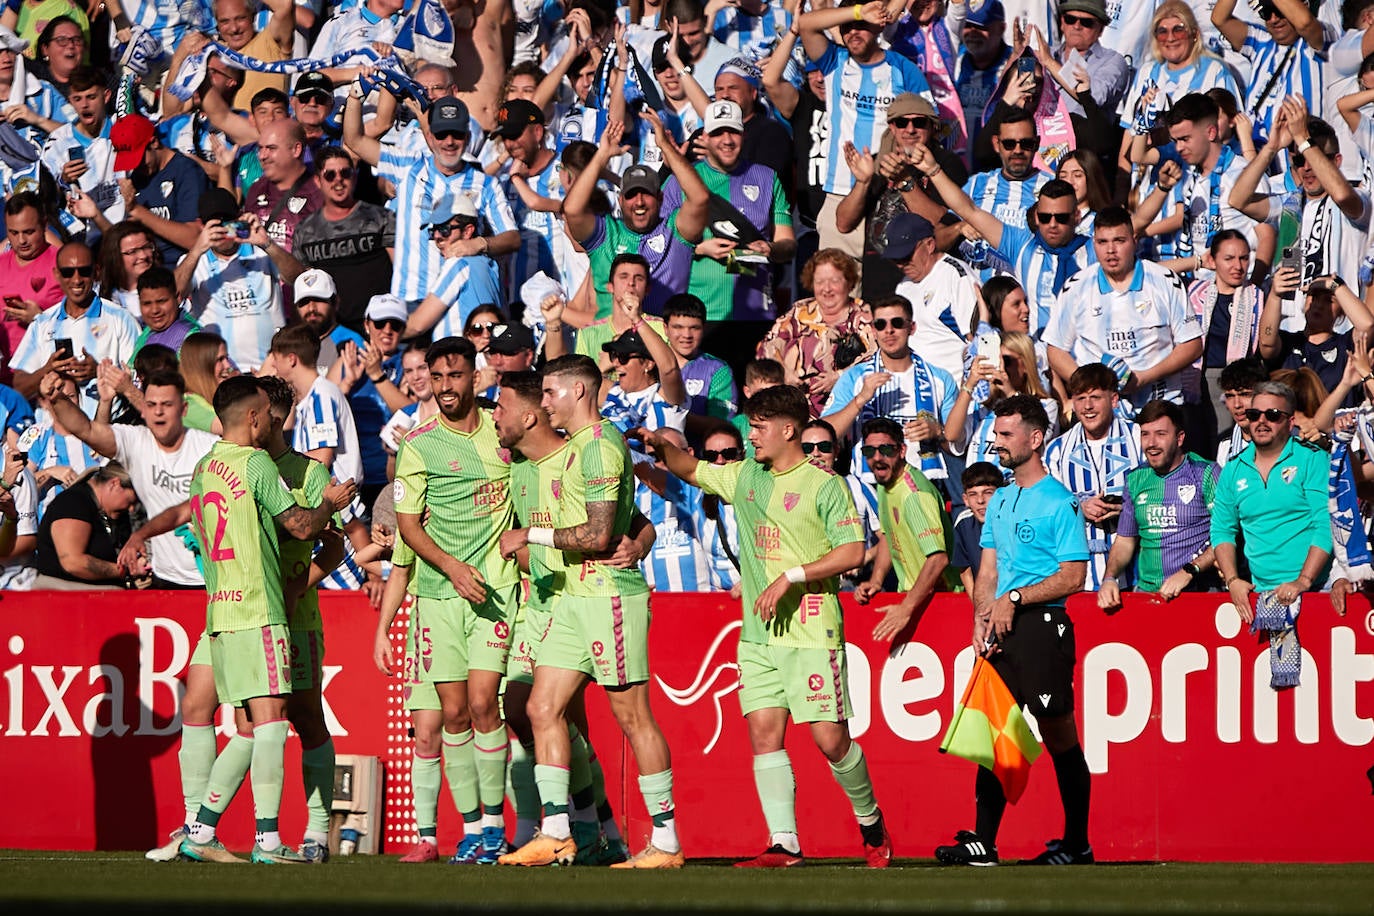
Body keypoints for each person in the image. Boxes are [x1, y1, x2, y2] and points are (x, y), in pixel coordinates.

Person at [641, 384, 893, 869]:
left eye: (758, 427)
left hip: (812, 631)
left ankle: (870, 820)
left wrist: (791, 575)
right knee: (763, 733)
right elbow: (689, 469)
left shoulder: (825, 484)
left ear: (787, 430)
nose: (750, 434)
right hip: (758, 635)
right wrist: (660, 446)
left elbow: (852, 552)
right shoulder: (746, 477)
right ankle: (784, 843)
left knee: (830, 740)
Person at [496, 354, 682, 869]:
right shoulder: (574, 449)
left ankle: (665, 841)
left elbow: (599, 536)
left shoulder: (601, 445)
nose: (545, 401)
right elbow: (623, 521)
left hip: (607, 596)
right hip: (569, 598)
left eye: (551, 392)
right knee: (540, 709)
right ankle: (557, 832)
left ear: (579, 392)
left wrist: (528, 534)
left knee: (632, 716)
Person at [178, 375, 355, 864]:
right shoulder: (256, 464)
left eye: (281, 415)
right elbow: (300, 523)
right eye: (269, 414)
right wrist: (331, 505)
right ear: (257, 415)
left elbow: (334, 544)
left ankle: (303, 831)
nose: (275, 422)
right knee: (257, 720)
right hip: (258, 607)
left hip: (251, 607)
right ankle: (245, 835)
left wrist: (300, 582)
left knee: (295, 717)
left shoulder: (206, 466)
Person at [934, 394, 1092, 867]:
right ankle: (984, 840)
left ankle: (1076, 843)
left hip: (1043, 627)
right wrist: (981, 616)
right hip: (1000, 630)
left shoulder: (1060, 501)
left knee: (1059, 733)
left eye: (1006, 435)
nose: (996, 442)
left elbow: (1073, 576)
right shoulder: (1000, 498)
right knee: (993, 730)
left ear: (1035, 438)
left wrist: (1016, 598)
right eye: (996, 433)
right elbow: (989, 566)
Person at [393, 336, 519, 865]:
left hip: (495, 591)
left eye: (455, 376)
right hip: (438, 596)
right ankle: (470, 830)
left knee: (485, 703)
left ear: (475, 376)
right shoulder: (418, 445)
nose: (445, 387)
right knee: (451, 714)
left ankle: (496, 825)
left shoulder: (503, 431)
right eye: (436, 377)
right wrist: (450, 566)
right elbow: (407, 526)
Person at [42, 368, 216, 590]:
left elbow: (190, 508)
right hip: (166, 578)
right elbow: (85, 430)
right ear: (143, 411)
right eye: (152, 405)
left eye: (167, 405)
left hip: (212, 577)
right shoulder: (136, 441)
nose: (159, 412)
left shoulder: (208, 447)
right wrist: (57, 399)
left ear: (183, 409)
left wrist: (141, 535)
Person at [799, 0, 931, 257]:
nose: (852, 33)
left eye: (861, 26)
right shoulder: (833, 62)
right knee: (836, 292)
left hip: (890, 197)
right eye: (847, 27)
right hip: (840, 194)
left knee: (885, 293)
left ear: (878, 27)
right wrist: (858, 12)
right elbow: (804, 24)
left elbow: (930, 124)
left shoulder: (903, 69)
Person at [917, 148, 1093, 335]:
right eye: (1045, 217)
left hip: (1081, 356)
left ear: (1076, 217)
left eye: (1061, 218)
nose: (1052, 224)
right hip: (1032, 353)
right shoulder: (1022, 245)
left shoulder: (1095, 250)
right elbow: (969, 210)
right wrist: (934, 170)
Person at [1045, 206, 1204, 410]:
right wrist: (1089, 387)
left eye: (1119, 241)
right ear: (1094, 244)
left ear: (1134, 241)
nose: (1110, 250)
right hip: (1099, 412)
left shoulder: (1164, 281)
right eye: (1102, 242)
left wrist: (1145, 378)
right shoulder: (1076, 287)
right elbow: (1056, 349)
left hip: (1158, 408)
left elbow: (1192, 344)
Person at [562, 115, 708, 318]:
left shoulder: (676, 231)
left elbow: (700, 198)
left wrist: (666, 148)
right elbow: (572, 209)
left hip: (661, 341)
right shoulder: (604, 234)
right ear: (621, 201)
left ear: (660, 198)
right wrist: (602, 155)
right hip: (607, 341)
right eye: (631, 195)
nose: (639, 202)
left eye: (646, 194)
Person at [1212, 379, 1332, 623]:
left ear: (1290, 423)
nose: (1261, 421)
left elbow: (1325, 524)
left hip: (1316, 590)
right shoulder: (1233, 469)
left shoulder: (1312, 458)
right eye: (1254, 414)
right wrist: (1233, 580)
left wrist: (1303, 580)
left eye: (1272, 414)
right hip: (1260, 593)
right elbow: (1222, 530)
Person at [823, 293, 959, 488]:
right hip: (869, 485)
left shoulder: (939, 378)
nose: (889, 331)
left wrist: (937, 431)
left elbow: (957, 446)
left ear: (911, 328)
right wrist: (860, 400)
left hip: (924, 483)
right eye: (881, 325)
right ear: (873, 330)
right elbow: (825, 434)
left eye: (897, 323)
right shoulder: (854, 377)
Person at [1099, 400, 1221, 610]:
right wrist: (1109, 578)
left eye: (1161, 434)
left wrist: (1189, 571)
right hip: (1148, 597)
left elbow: (1225, 535)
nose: (1151, 443)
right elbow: (1125, 541)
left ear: (1180, 438)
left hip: (1198, 595)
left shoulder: (1206, 473)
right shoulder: (1136, 478)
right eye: (1145, 434)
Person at [10, 240, 141, 414]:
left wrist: (98, 372)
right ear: (57, 274)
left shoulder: (121, 318)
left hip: (107, 430)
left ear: (96, 272)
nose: (77, 280)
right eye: (67, 272)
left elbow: (139, 382)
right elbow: (18, 388)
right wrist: (48, 369)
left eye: (84, 271)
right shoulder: (42, 323)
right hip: (54, 435)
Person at [1044, 364, 1144, 590]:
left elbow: (1160, 494)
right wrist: (1079, 507)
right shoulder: (1056, 450)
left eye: (1096, 397)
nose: (1087, 406)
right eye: (1080, 398)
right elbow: (1048, 508)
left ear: (1114, 399)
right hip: (1081, 577)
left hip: (1136, 572)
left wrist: (1124, 509)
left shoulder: (1139, 438)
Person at [853, 417, 955, 638]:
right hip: (913, 599)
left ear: (901, 450)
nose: (877, 458)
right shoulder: (885, 483)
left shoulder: (914, 495)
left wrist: (906, 607)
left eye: (885, 449)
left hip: (941, 602)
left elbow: (938, 559)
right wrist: (876, 580)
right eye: (869, 451)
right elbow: (890, 538)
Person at [179, 189, 296, 373]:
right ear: (201, 226)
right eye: (215, 225)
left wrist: (267, 243)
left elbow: (297, 278)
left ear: (240, 216)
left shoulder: (262, 251)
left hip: (271, 368)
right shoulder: (193, 261)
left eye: (228, 221)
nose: (223, 230)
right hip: (221, 374)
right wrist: (196, 250)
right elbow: (175, 294)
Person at [755, 249, 872, 418]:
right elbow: (766, 347)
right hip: (794, 408)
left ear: (849, 282)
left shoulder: (862, 315)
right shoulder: (799, 311)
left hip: (844, 407)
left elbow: (874, 360)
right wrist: (784, 372)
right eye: (820, 281)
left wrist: (840, 377)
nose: (827, 289)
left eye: (834, 281)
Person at [293, 145, 397, 335]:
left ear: (354, 176)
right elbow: (307, 285)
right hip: (334, 333)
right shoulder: (305, 230)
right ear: (318, 181)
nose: (338, 180)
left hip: (380, 328)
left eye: (345, 173)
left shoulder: (382, 218)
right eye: (330, 175)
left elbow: (400, 272)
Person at [880, 213, 978, 385]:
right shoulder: (903, 287)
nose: (902, 264)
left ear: (930, 245)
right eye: (896, 259)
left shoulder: (956, 277)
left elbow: (977, 339)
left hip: (952, 394)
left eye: (906, 256)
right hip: (916, 392)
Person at [32, 463, 139, 590]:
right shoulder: (72, 504)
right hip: (66, 595)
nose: (132, 508)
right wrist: (124, 570)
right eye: (131, 501)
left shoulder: (113, 511)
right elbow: (73, 562)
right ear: (114, 484)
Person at [950, 461, 1005, 594]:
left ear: (1001, 494)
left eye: (987, 492)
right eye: (973, 494)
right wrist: (978, 605)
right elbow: (965, 569)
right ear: (965, 499)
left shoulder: (1014, 521)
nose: (980, 500)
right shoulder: (963, 523)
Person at [132, 267, 200, 357]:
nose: (155, 310)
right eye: (147, 303)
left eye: (161, 301)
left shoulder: (192, 338)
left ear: (178, 298)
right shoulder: (146, 333)